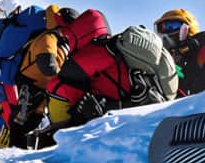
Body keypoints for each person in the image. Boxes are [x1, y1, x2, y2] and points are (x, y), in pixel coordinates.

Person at [44, 25, 179, 142]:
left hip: (121, 119)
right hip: (143, 111)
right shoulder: (118, 54)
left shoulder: (105, 51)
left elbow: (64, 78)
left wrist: (64, 127)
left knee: (57, 88)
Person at [0, 5, 80, 152]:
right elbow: (47, 64)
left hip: (19, 84)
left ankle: (2, 151)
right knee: (10, 122)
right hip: (19, 85)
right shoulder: (49, 37)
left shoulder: (44, 31)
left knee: (18, 122)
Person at [154, 9, 205, 96]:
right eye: (161, 29)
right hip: (197, 105)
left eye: (171, 26)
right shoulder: (175, 64)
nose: (166, 33)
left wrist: (193, 48)